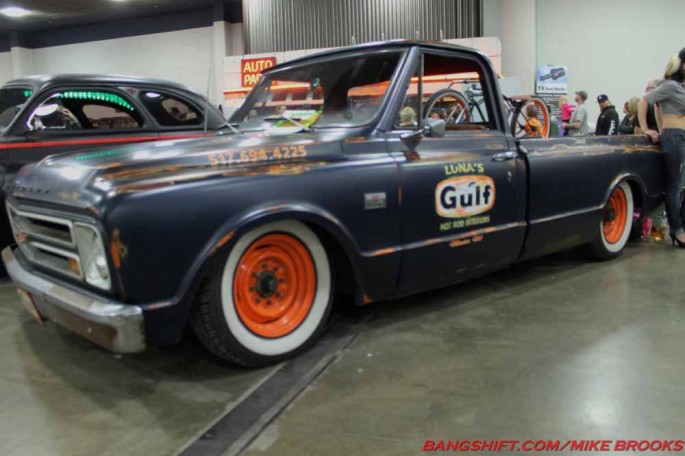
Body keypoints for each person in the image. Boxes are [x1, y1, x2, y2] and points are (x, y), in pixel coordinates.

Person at [638, 50, 685, 248]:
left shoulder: (679, 87)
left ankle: (680, 227)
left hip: (678, 136)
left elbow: (658, 107)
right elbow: (645, 101)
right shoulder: (670, 86)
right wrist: (647, 129)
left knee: (680, 186)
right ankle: (677, 230)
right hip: (675, 137)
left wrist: (659, 127)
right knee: (675, 186)